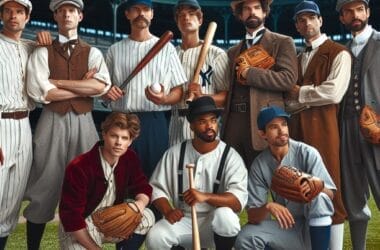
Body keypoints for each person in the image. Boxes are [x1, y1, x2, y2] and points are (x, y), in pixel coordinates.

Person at [24, 0, 111, 248]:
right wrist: (82, 89)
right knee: (45, 185)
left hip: (85, 122)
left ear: (80, 16)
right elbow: (43, 93)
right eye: (61, 11)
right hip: (51, 119)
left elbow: (100, 86)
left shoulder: (93, 52)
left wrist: (57, 82)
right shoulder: (42, 51)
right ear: (55, 17)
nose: (66, 14)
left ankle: (78, 245)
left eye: (71, 10)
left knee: (87, 184)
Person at [285, 1, 352, 249]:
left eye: (311, 18)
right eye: (301, 20)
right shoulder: (298, 57)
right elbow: (287, 101)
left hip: (324, 128)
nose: (307, 23)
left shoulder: (339, 52)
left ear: (321, 20)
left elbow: (334, 93)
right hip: (297, 129)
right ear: (297, 26)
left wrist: (300, 93)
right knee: (299, 190)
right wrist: (306, 97)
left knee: (328, 187)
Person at [146, 96, 248, 249]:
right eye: (202, 121)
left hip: (214, 223)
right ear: (191, 126)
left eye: (213, 120)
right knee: (156, 237)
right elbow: (156, 189)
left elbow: (237, 200)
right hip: (184, 220)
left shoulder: (230, 156)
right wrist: (168, 210)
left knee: (226, 217)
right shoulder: (175, 153)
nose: (209, 126)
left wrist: (205, 196)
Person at [104, 0, 187, 178]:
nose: (141, 13)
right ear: (127, 14)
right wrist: (108, 92)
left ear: (151, 14)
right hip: (120, 120)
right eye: (135, 9)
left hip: (153, 122)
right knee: (117, 179)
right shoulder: (114, 50)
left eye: (145, 9)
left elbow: (179, 92)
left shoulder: (167, 48)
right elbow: (105, 89)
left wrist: (164, 99)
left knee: (154, 180)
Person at [235, 106, 336, 250]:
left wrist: (316, 186)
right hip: (288, 228)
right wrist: (268, 207)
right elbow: (253, 216)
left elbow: (331, 195)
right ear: (262, 134)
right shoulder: (260, 164)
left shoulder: (307, 153)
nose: (282, 130)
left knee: (320, 197)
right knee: (245, 237)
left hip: (313, 228)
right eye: (274, 127)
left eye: (284, 124)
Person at [59, 112, 153, 250]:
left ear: (130, 141)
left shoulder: (129, 158)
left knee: (147, 217)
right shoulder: (79, 166)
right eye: (114, 136)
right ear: (104, 134)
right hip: (81, 226)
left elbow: (142, 187)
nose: (118, 142)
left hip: (111, 219)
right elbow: (71, 217)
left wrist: (139, 204)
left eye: (124, 138)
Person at [222, 0, 298, 168]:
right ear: (241, 15)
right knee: (235, 180)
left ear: (264, 12)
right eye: (247, 9)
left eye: (257, 8)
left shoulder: (283, 42)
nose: (252, 12)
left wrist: (250, 73)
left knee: (276, 181)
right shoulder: (232, 52)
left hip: (265, 120)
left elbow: (288, 78)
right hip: (234, 122)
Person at [336, 0, 380, 249]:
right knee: (354, 201)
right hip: (347, 129)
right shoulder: (341, 51)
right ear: (342, 18)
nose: (355, 15)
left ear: (368, 12)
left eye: (359, 9)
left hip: (378, 129)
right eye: (349, 11)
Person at [169, 0, 230, 146]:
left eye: (191, 14)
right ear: (177, 22)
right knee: (178, 166)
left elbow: (227, 97)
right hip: (176, 122)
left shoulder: (217, 54)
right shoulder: (170, 55)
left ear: (200, 19)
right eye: (181, 15)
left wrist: (202, 97)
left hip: (206, 123)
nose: (186, 18)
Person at [0, 0, 34, 249]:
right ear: (1, 15)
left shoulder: (31, 48)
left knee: (12, 200)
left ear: (27, 17)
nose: (13, 16)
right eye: (8, 11)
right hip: (1, 124)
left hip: (24, 126)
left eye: (19, 11)